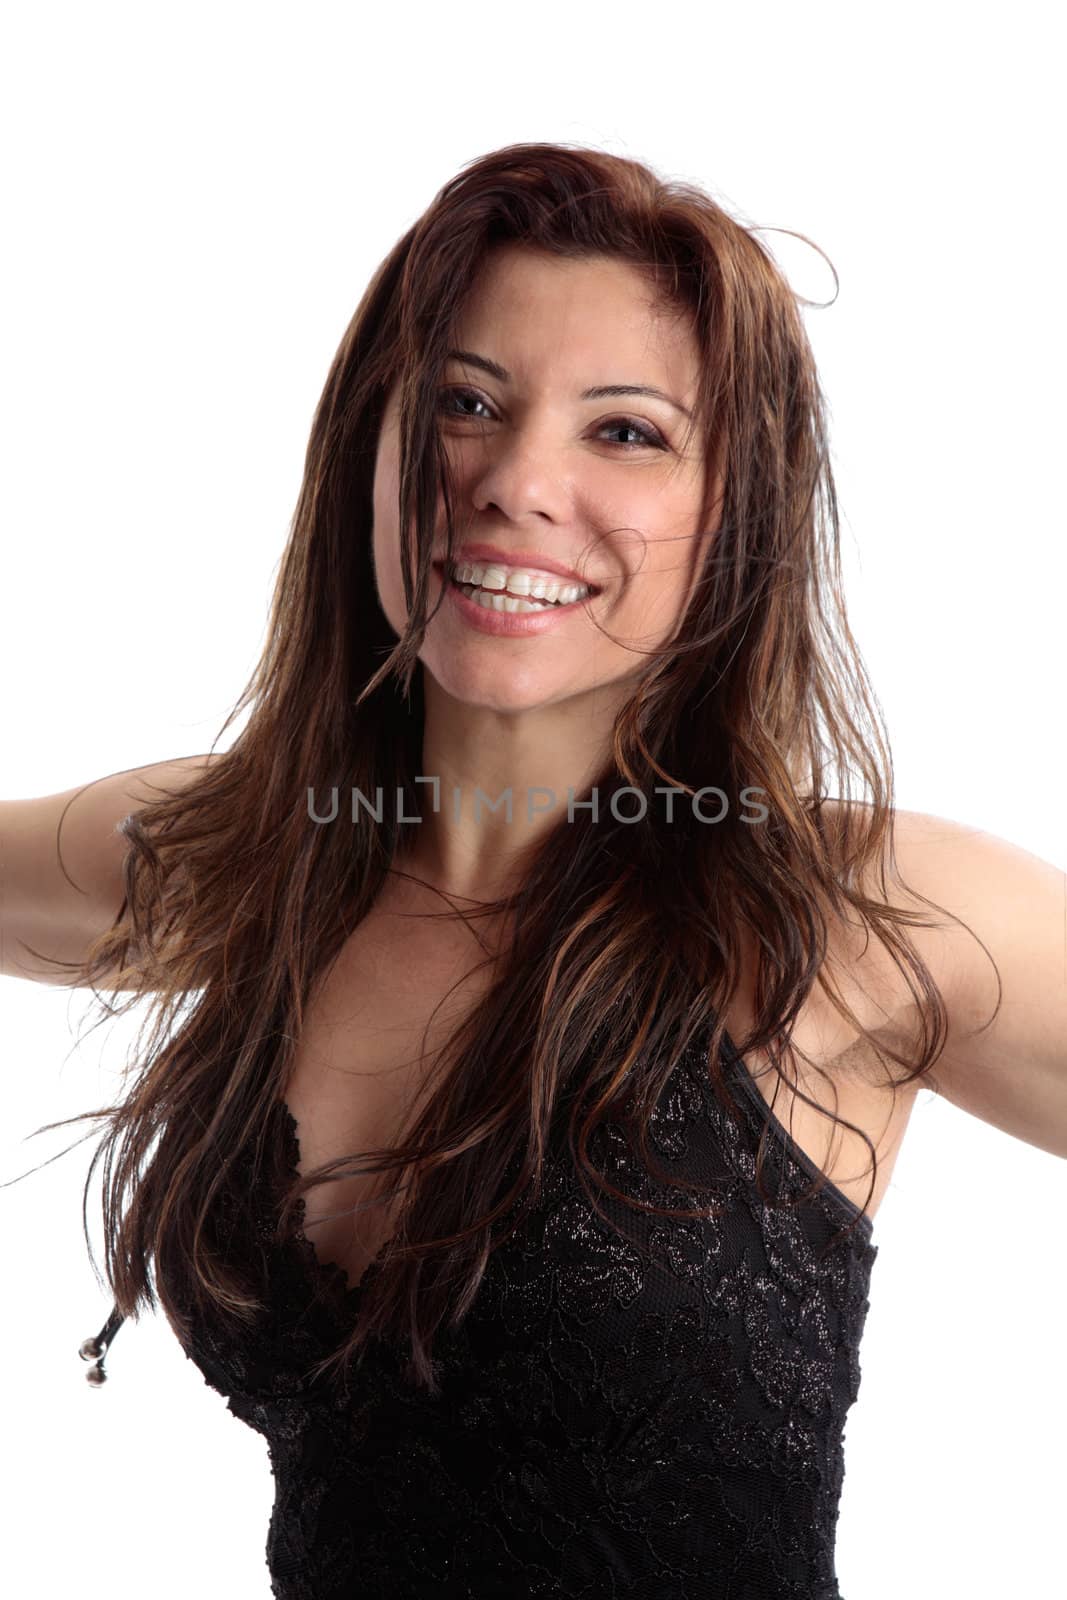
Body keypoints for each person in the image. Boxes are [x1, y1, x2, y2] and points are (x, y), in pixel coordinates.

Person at [2, 141, 1064, 1599]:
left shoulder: (862, 921)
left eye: (624, 433)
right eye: (465, 403)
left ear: (733, 511)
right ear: (368, 447)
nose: (512, 481)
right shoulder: (255, 857)